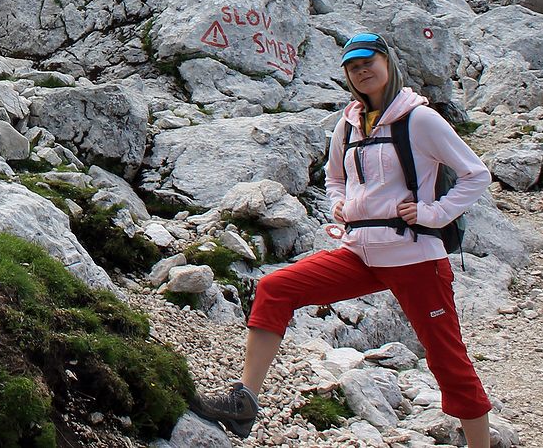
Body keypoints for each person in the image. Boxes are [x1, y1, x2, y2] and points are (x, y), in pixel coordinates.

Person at [190, 32, 495, 445]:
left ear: (388, 64)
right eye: (353, 66)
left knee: (447, 360)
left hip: (415, 257)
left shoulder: (420, 119)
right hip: (361, 253)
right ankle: (245, 401)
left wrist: (433, 213)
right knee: (275, 288)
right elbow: (335, 177)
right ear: (347, 77)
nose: (362, 70)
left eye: (369, 61)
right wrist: (340, 203)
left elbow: (475, 174)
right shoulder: (348, 125)